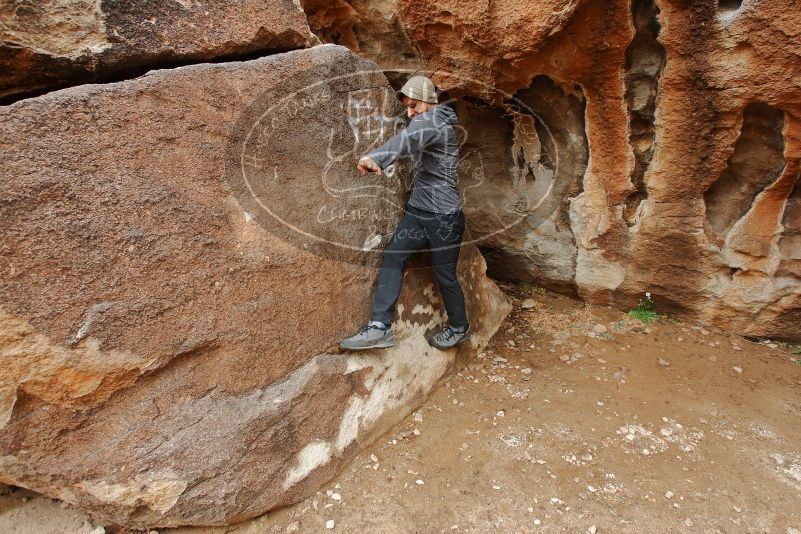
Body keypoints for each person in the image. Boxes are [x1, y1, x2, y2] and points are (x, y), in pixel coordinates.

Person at [339, 75, 470, 351]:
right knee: (393, 257)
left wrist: (376, 157)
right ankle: (379, 328)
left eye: (413, 106)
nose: (409, 114)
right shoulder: (427, 121)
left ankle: (459, 327)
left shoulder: (433, 121)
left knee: (445, 275)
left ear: (428, 101)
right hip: (418, 213)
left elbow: (406, 140)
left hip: (444, 218)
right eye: (407, 108)